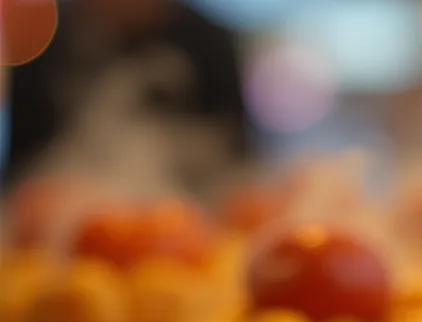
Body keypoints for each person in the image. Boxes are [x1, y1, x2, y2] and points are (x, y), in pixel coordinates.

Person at [5, 0, 248, 195]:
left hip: (192, 215)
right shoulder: (41, 44)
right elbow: (19, 169)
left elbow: (239, 158)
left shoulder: (211, 44)